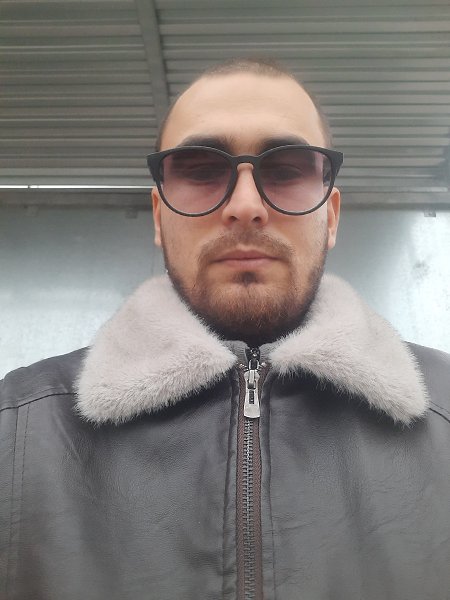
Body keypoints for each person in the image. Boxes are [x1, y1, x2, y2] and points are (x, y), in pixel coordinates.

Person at [1, 58, 449, 600]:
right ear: (159, 217)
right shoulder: (16, 430)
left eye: (285, 169)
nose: (245, 206)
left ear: (330, 217)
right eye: (200, 169)